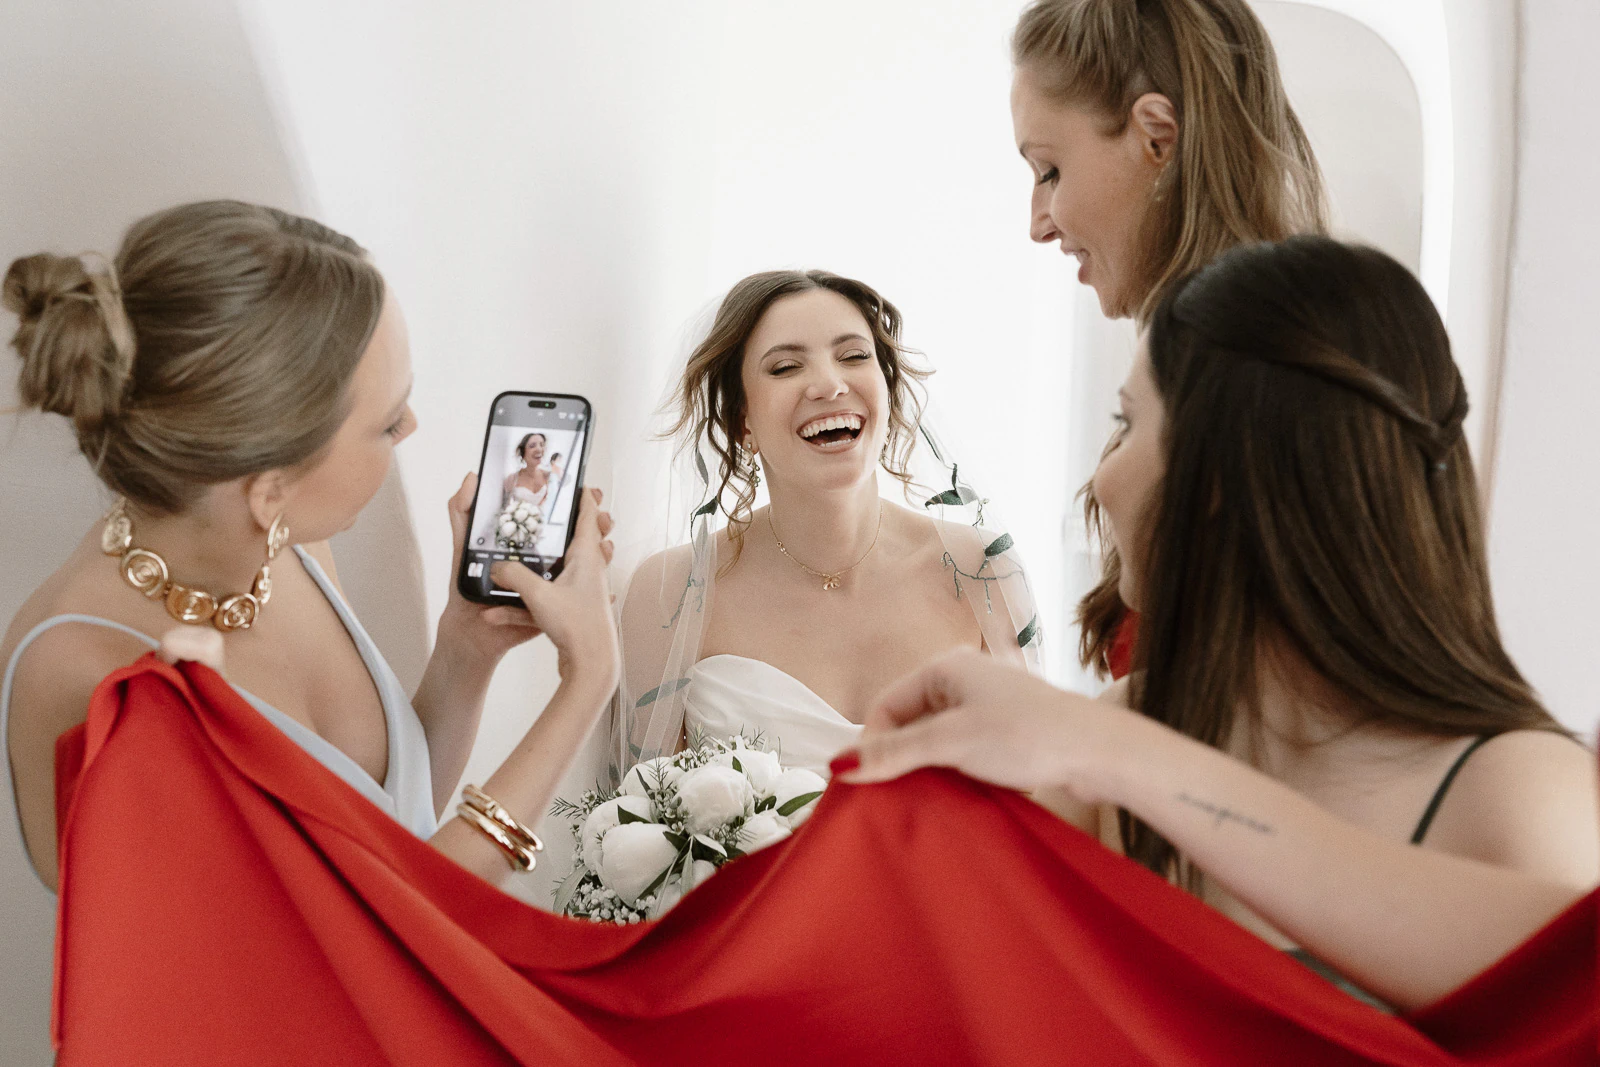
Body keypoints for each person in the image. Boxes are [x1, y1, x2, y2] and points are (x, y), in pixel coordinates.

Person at [836, 236, 1600, 1014]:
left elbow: (1561, 990)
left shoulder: (1519, 789)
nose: (1101, 476)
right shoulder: (1136, 723)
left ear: (1219, 475)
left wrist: (1106, 751)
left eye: (1126, 423)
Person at [1, 200, 620, 893]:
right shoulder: (84, 677)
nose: (411, 426)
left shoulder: (286, 546)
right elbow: (384, 930)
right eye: (387, 423)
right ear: (271, 488)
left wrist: (467, 649)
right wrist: (587, 681)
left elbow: (388, 829)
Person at [1008, 0, 1329, 677]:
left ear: (1157, 135)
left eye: (1049, 170)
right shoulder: (1207, 356)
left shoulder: (1259, 373)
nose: (1038, 222)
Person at [616, 269, 1040, 777]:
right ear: (741, 421)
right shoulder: (669, 593)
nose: (829, 385)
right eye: (785, 367)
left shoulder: (983, 571)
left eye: (854, 356)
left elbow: (1036, 795)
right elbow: (642, 821)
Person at [502, 432, 553, 512]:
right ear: (523, 452)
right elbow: (505, 508)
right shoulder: (512, 479)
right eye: (532, 446)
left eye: (542, 445)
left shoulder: (548, 476)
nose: (539, 449)